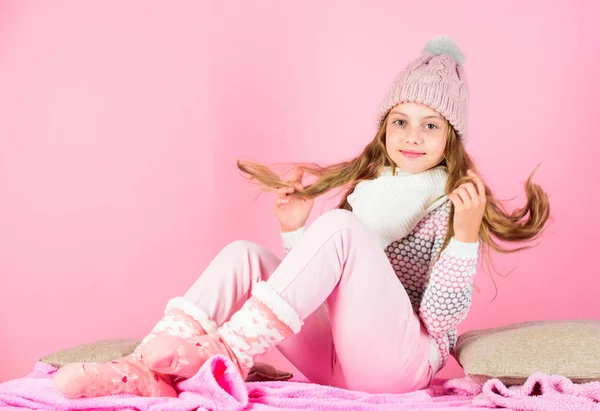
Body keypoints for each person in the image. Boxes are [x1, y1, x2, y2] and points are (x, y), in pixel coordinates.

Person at [53, 36, 550, 398]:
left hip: (402, 366)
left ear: (450, 140)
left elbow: (441, 321)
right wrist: (294, 233)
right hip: (336, 363)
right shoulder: (374, 193)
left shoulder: (452, 199)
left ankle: (227, 351)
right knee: (244, 254)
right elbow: (324, 290)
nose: (412, 136)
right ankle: (143, 368)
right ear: (383, 129)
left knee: (341, 229)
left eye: (430, 125)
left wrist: (465, 239)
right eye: (400, 121)